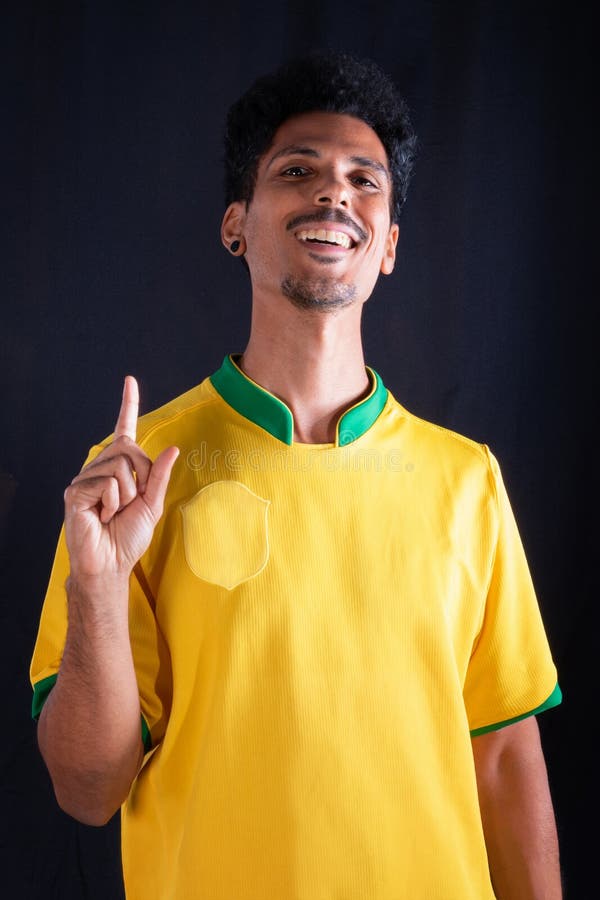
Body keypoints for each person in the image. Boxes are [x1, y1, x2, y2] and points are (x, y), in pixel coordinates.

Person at [30, 51, 563, 899]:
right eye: (299, 170)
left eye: (364, 180)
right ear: (235, 224)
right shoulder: (131, 484)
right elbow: (87, 792)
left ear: (388, 246)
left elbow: (503, 760)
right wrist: (97, 586)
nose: (334, 194)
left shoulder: (468, 481)